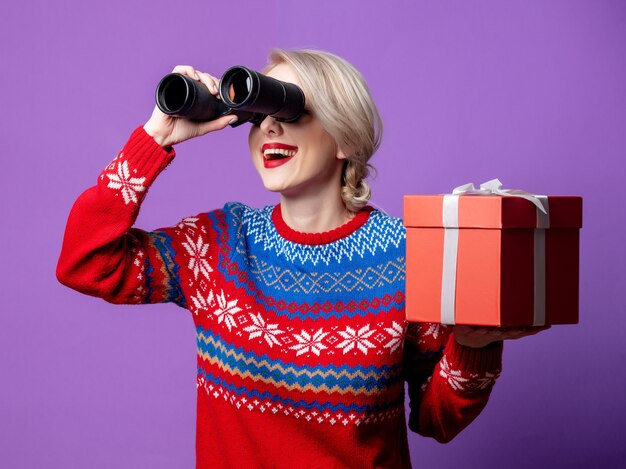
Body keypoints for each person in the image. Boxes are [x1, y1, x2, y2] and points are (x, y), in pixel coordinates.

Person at [57, 49, 548, 468]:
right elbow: (86, 263)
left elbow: (434, 419)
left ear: (347, 141)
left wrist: (472, 345)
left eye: (290, 109)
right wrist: (154, 137)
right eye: (258, 111)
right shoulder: (217, 245)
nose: (269, 123)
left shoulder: (413, 256)